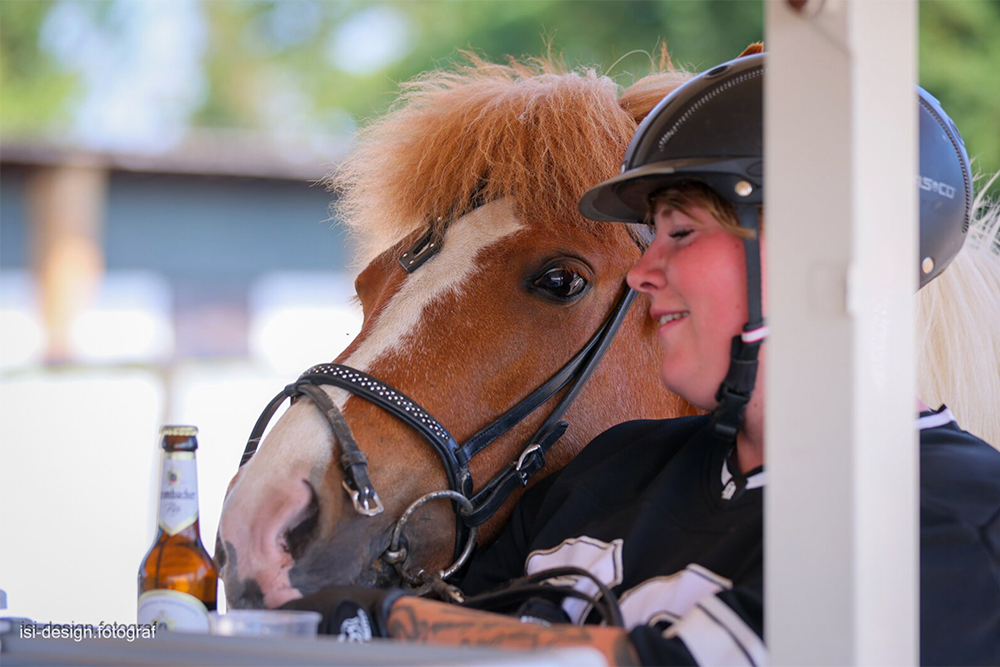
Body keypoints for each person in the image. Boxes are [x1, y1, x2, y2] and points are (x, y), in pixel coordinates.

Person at [283, 53, 1000, 666]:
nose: (641, 270)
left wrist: (379, 620)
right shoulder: (608, 472)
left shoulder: (953, 516)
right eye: (650, 234)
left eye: (681, 233)